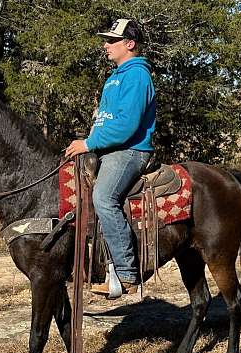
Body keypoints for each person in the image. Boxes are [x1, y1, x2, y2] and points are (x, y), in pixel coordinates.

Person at [65, 19, 156, 297]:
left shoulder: (137, 75)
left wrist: (89, 143)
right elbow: (103, 120)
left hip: (130, 151)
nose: (105, 45)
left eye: (111, 40)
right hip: (108, 149)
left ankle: (127, 273)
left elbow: (127, 125)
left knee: (103, 198)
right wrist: (89, 143)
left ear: (129, 44)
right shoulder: (114, 77)